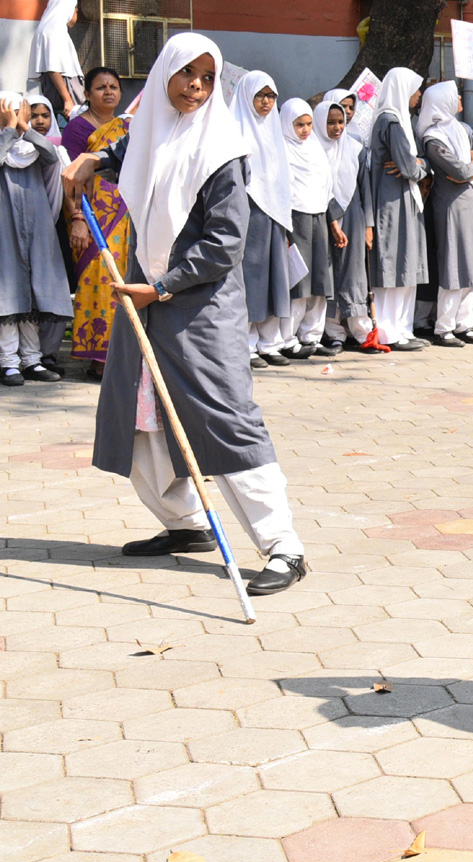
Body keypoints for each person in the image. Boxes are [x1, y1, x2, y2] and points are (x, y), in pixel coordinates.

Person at [62, 33, 307, 594]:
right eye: (186, 74)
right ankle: (186, 524)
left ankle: (283, 547)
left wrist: (162, 288)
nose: (195, 86)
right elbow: (126, 153)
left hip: (198, 308)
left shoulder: (222, 151)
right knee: (141, 418)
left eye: (206, 76)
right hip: (142, 301)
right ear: (163, 76)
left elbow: (224, 244)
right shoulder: (151, 130)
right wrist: (92, 159)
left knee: (226, 422)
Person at [0, 93, 72, 386]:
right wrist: (7, 130)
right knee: (8, 295)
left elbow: (51, 155)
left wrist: (23, 130)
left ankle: (32, 360)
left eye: (21, 112)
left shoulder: (30, 148)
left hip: (36, 231)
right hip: (5, 231)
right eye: (11, 113)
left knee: (31, 293)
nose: (16, 117)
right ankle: (8, 362)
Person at [62, 66, 128, 378]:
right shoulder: (77, 129)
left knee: (125, 280)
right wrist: (77, 218)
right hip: (91, 216)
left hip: (126, 215)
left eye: (113, 86)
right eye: (100, 87)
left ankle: (124, 354)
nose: (108, 92)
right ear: (87, 95)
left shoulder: (128, 128)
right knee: (98, 280)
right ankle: (99, 358)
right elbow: (71, 177)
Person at [418, 81, 473, 347]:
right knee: (453, 265)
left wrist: (469, 168)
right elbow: (459, 171)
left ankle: (466, 325)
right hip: (450, 205)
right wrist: (469, 168)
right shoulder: (433, 138)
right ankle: (445, 327)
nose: (460, 99)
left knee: (472, 265)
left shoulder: (462, 130)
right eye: (455, 96)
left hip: (471, 202)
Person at [229, 71, 294, 369]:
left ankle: (270, 342)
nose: (267, 102)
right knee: (252, 279)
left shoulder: (272, 130)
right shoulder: (234, 129)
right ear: (247, 96)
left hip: (274, 214)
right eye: (261, 96)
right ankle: (247, 344)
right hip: (248, 213)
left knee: (274, 279)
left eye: (271, 96)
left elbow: (281, 176)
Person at [370, 67, 428, 353]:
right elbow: (407, 165)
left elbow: (415, 164)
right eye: (415, 90)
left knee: (406, 264)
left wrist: (418, 165)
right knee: (392, 265)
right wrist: (416, 166)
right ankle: (388, 331)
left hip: (404, 197)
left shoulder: (399, 121)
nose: (418, 96)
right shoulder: (391, 122)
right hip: (392, 200)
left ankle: (402, 329)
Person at [279, 99, 336, 359]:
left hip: (319, 216)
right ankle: (288, 338)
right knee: (299, 282)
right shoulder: (282, 149)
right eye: (299, 125)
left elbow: (326, 185)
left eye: (309, 124)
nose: (304, 130)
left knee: (320, 281)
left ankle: (312, 335)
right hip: (296, 216)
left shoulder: (315, 148)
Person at [315, 99, 372, 353]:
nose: (337, 127)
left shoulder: (355, 147)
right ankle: (333, 332)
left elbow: (365, 189)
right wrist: (331, 218)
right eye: (330, 122)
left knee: (354, 271)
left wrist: (368, 225)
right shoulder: (313, 149)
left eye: (340, 122)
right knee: (328, 272)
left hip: (353, 216)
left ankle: (361, 331)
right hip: (324, 216)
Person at [25, 91, 74, 373]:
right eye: (33, 115)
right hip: (17, 227)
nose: (40, 121)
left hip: (54, 226)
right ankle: (23, 355)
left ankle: (48, 354)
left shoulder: (59, 151)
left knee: (55, 290)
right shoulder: (15, 150)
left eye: (46, 116)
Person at [26, 0, 84, 118]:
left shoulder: (47, 28)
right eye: (75, 10)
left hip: (55, 87)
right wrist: (67, 99)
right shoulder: (53, 30)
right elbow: (53, 68)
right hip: (65, 87)